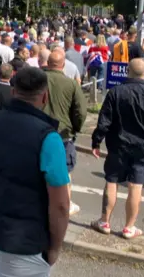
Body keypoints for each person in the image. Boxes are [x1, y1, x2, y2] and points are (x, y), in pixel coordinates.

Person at [0, 67, 70, 274]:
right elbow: (60, 204)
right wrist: (55, 247)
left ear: (13, 92)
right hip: (22, 241)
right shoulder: (49, 138)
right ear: (45, 97)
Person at [91, 58, 144, 239]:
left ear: (128, 71)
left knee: (112, 181)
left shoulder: (116, 92)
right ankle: (129, 227)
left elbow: (104, 122)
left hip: (118, 144)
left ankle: (104, 221)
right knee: (136, 185)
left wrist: (96, 141)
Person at [44, 50, 87, 216]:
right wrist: (76, 128)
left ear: (48, 63)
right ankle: (64, 206)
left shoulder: (37, 80)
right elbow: (81, 111)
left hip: (38, 132)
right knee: (64, 173)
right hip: (63, 134)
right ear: (63, 65)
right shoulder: (71, 84)